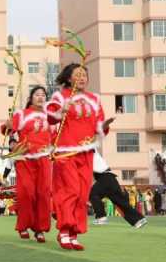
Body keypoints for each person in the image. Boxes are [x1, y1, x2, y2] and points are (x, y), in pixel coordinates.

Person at [45, 63, 114, 250]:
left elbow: (99, 128)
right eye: (78, 74)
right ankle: (64, 231)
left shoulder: (94, 99)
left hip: (86, 152)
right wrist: (61, 111)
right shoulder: (61, 96)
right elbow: (51, 117)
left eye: (84, 74)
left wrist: (104, 125)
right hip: (66, 152)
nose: (82, 78)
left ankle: (74, 232)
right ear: (69, 78)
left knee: (82, 194)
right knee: (70, 191)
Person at [1, 86, 52, 243]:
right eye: (37, 94)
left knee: (43, 195)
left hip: (44, 159)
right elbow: (8, 131)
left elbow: (57, 137)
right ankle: (23, 225)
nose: (40, 97)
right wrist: (7, 125)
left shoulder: (50, 117)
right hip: (25, 159)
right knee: (27, 193)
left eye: (43, 95)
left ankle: (40, 229)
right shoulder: (22, 114)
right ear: (31, 97)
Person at [90, 152, 147, 228]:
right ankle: (139, 220)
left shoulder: (90, 152)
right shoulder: (92, 154)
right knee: (120, 202)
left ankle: (101, 217)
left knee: (93, 194)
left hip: (104, 178)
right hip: (111, 178)